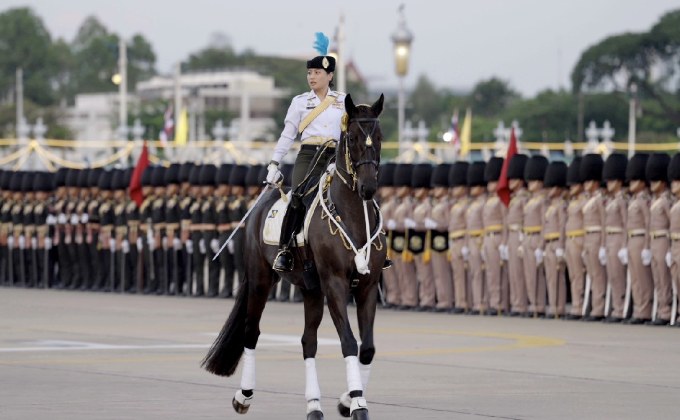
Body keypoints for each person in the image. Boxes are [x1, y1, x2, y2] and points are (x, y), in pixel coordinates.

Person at [266, 35, 344, 273]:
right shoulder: (300, 102)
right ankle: (286, 249)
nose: (312, 77)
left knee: (356, 193)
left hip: (335, 155)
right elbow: (288, 135)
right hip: (309, 155)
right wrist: (274, 163)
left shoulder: (342, 100)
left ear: (329, 75)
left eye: (317, 73)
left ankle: (371, 247)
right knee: (298, 194)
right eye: (309, 73)